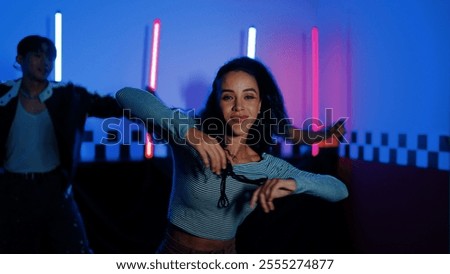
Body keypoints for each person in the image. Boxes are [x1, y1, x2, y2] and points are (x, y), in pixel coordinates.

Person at [115, 56, 349, 254]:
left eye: (248, 97)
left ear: (260, 106)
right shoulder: (191, 137)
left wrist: (295, 184)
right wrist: (190, 133)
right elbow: (126, 95)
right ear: (218, 103)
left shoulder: (269, 166)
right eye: (228, 97)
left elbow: (339, 190)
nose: (238, 107)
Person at [0, 35, 123, 253]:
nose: (45, 62)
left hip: (52, 188)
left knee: (75, 254)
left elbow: (107, 106)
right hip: (13, 190)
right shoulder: (3, 95)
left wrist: (146, 108)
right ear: (20, 58)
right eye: (38, 55)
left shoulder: (67, 95)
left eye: (50, 57)